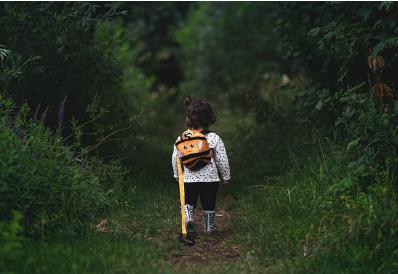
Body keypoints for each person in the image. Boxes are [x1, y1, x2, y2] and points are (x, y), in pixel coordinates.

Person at [172, 95, 231, 236]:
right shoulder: (214, 137)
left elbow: (175, 158)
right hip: (210, 180)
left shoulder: (182, 138)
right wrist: (226, 175)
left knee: (188, 202)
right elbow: (222, 159)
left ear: (189, 118)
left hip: (189, 179)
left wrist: (176, 175)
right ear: (210, 118)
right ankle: (209, 227)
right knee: (209, 203)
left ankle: (189, 218)